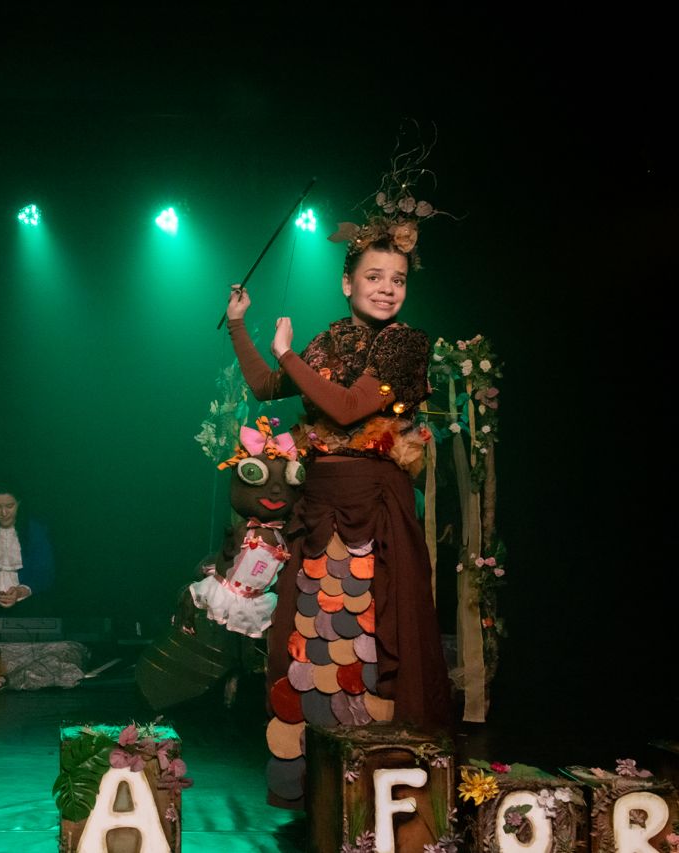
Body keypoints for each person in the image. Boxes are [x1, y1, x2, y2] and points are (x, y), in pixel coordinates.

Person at [226, 201, 453, 805]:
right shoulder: (333, 336)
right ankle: (306, 780)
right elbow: (269, 389)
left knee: (376, 632)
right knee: (305, 635)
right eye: (374, 278)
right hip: (319, 502)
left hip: (373, 504)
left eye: (397, 280)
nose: (386, 289)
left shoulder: (405, 343)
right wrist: (241, 326)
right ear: (347, 282)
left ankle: (376, 779)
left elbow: (349, 408)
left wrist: (288, 354)